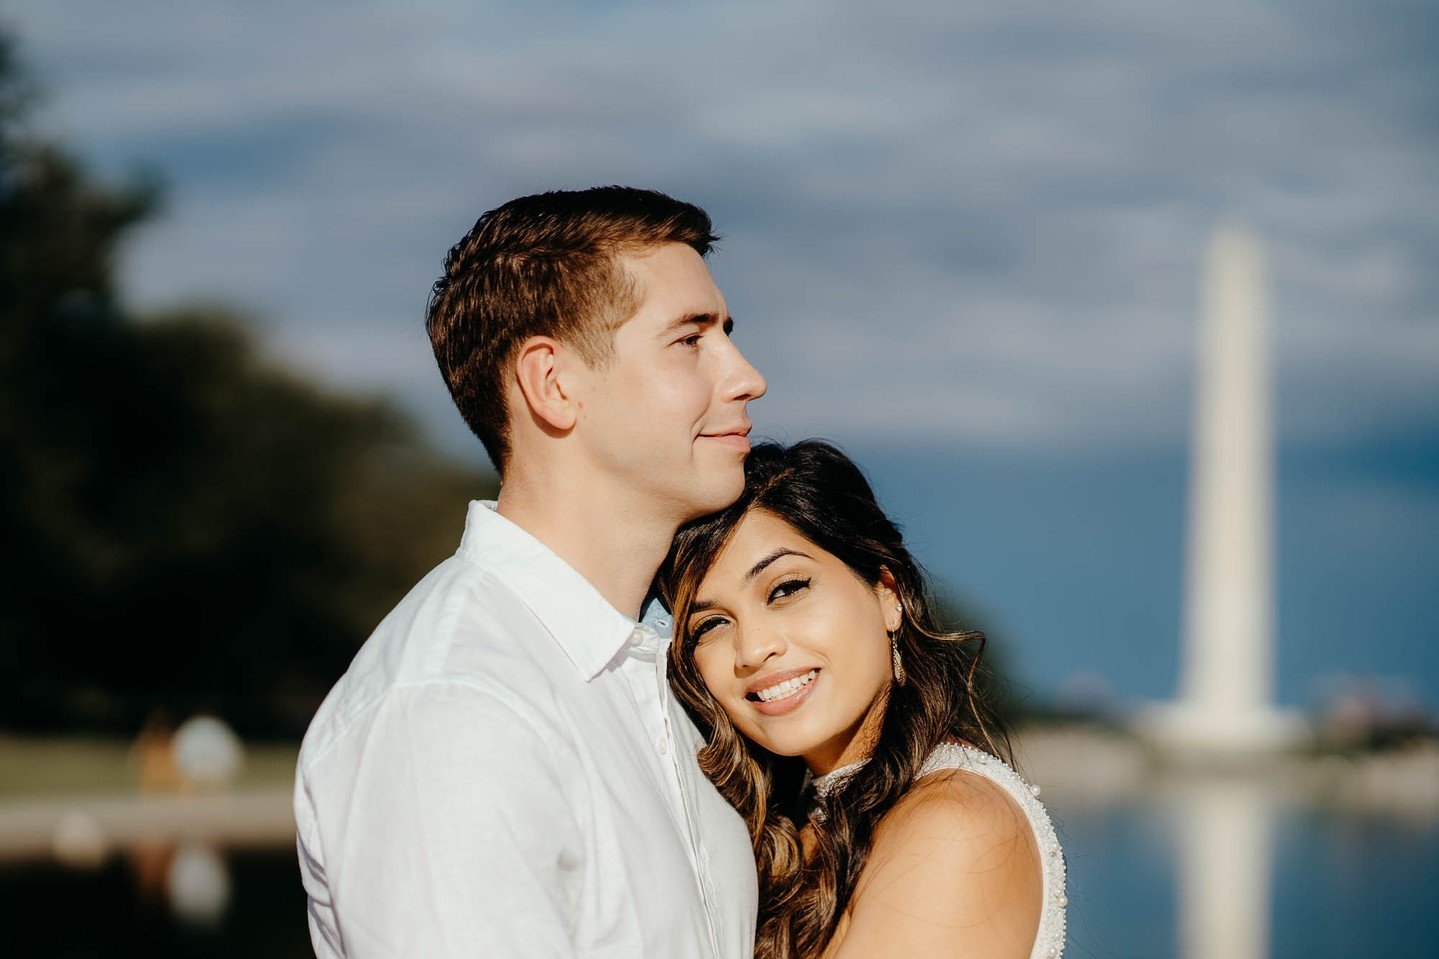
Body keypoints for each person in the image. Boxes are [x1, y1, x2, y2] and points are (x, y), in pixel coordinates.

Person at [294, 187, 767, 957]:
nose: (747, 376)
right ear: (552, 382)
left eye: (727, 335)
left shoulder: (659, 673)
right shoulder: (455, 706)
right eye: (691, 339)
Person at [659, 441, 1067, 959]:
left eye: (785, 589)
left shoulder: (952, 823)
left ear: (886, 592)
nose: (753, 649)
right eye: (711, 624)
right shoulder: (792, 828)